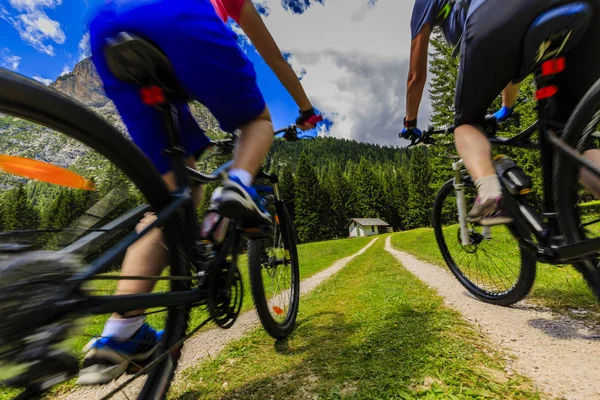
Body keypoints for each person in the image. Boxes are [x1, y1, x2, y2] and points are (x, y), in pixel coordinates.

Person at [77, 0, 321, 385]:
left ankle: (121, 332)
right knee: (255, 122)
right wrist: (307, 109)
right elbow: (274, 57)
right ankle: (238, 185)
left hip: (107, 30)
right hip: (178, 15)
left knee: (174, 196)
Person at [401, 0, 600, 224]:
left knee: (466, 124)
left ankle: (488, 192)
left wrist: (410, 124)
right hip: (585, 11)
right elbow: (511, 65)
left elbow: (415, 77)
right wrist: (507, 107)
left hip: (495, 15)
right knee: (572, 140)